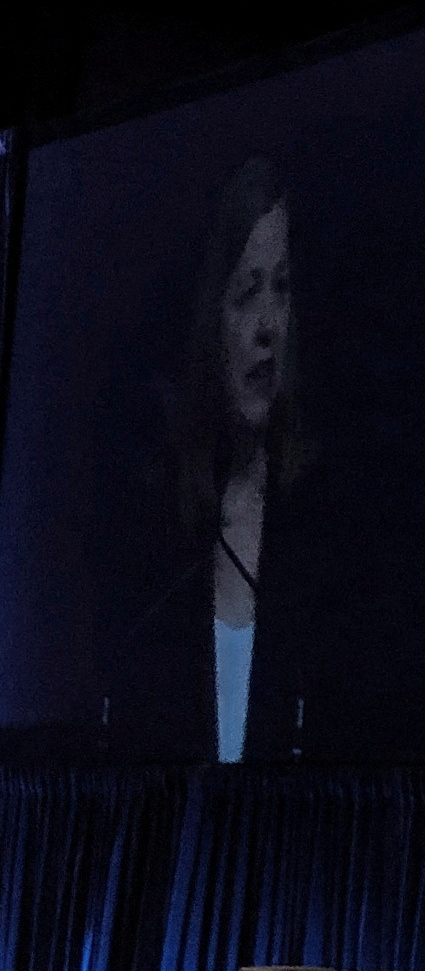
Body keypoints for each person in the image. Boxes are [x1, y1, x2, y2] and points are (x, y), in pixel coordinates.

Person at [100, 156, 313, 761]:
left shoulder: (322, 523)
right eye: (246, 293)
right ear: (205, 319)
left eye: (282, 287)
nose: (268, 324)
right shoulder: (156, 530)